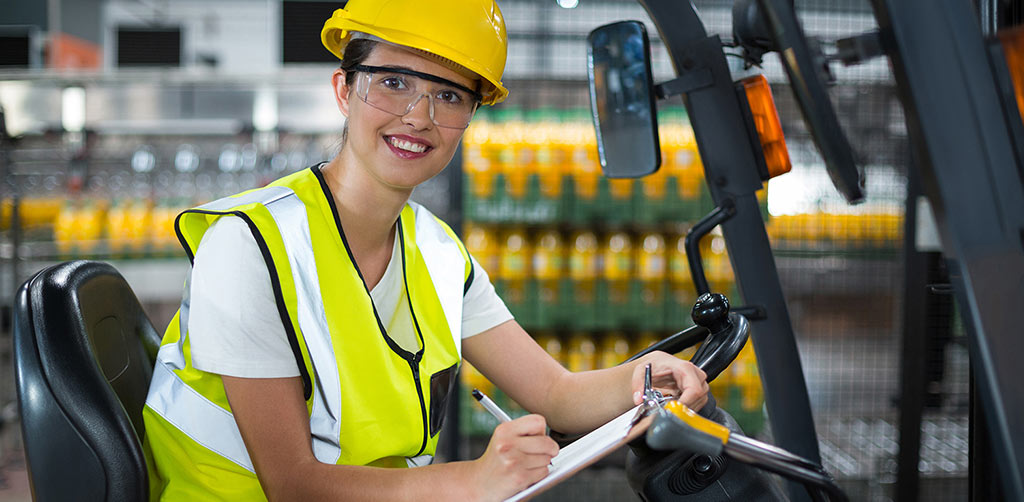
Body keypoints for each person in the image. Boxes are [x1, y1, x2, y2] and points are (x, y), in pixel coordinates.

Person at [142, 1, 709, 500]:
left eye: (448, 95)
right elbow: (293, 484)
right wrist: (473, 482)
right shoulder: (250, 245)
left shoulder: (437, 253)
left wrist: (644, 377)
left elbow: (556, 394)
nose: (419, 116)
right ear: (345, 89)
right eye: (393, 83)